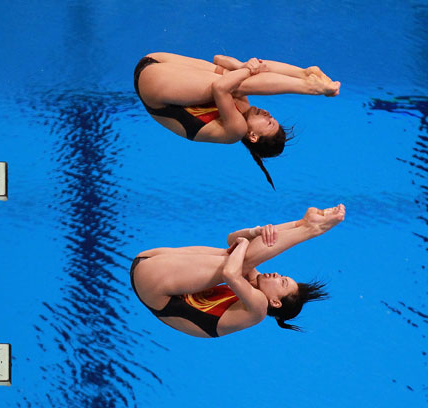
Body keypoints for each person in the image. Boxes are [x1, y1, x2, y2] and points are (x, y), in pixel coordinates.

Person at [130, 204, 345, 338]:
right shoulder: (252, 284)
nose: (277, 275)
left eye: (282, 282)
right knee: (235, 256)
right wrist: (255, 231)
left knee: (238, 262)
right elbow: (232, 239)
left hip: (153, 286)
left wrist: (243, 244)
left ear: (276, 303)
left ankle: (310, 229)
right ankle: (302, 223)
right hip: (149, 264)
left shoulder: (258, 308)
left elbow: (231, 273)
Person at [133, 52, 340, 188]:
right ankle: (303, 73)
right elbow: (218, 59)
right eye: (272, 118)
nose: (269, 114)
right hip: (157, 63)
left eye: (269, 123)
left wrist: (247, 69)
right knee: (238, 76)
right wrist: (243, 66)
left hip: (153, 86)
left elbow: (220, 88)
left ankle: (311, 86)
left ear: (253, 136)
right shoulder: (243, 108)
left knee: (238, 82)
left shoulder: (236, 130)